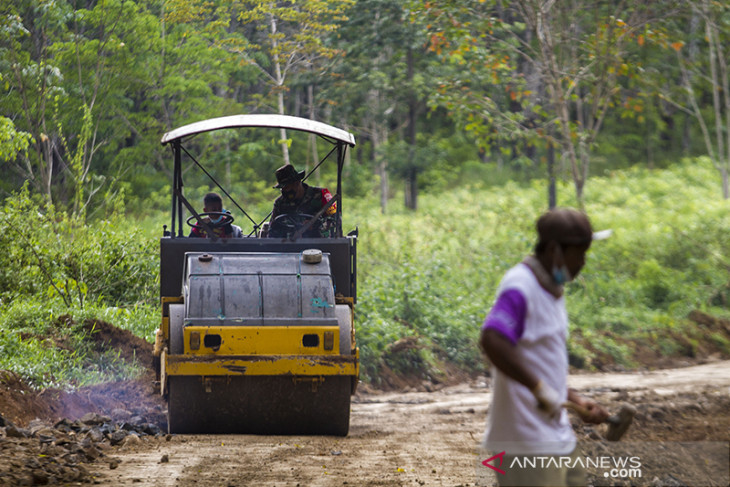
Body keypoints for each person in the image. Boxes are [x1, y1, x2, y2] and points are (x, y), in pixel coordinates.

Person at [479, 208, 610, 487]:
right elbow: (492, 339)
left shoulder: (551, 290)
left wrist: (573, 399)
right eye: (579, 254)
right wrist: (539, 388)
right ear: (554, 250)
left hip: (556, 435)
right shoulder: (520, 286)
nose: (583, 263)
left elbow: (540, 362)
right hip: (525, 441)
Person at [267, 164, 337, 238]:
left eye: (286, 187)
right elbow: (272, 228)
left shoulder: (323, 195)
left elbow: (336, 219)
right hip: (289, 245)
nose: (284, 191)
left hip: (320, 244)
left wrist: (317, 225)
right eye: (282, 188)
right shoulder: (280, 203)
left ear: (297, 183)